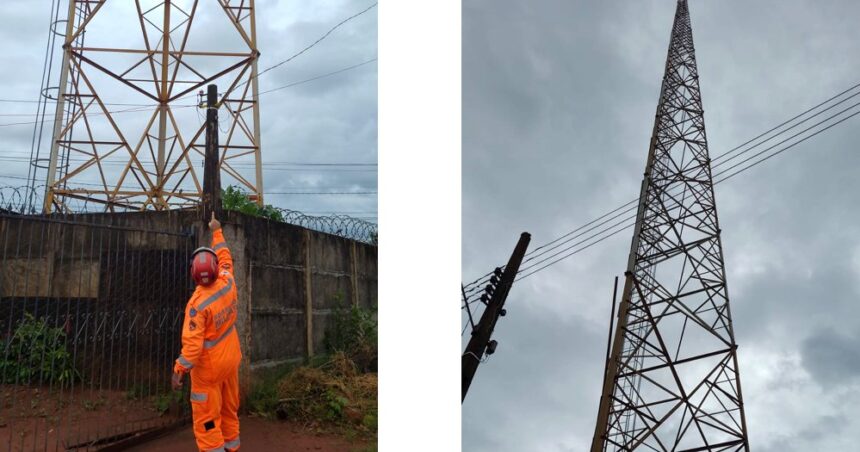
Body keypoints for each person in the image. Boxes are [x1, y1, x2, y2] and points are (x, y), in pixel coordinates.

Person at [172, 212, 242, 452]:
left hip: (208, 373)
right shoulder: (228, 282)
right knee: (229, 412)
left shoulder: (197, 304)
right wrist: (217, 230)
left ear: (193, 272)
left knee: (208, 422)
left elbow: (192, 348)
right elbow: (225, 258)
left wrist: (179, 370)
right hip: (230, 363)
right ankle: (232, 448)